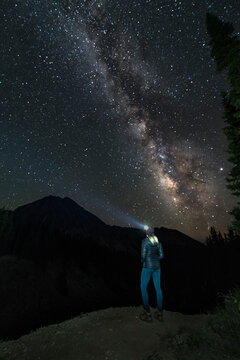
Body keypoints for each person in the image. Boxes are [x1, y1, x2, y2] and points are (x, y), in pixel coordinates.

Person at [139, 226, 164, 322]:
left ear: (147, 233)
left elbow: (143, 255)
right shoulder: (158, 242)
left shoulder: (144, 241)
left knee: (143, 288)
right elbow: (161, 255)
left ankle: (148, 313)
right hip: (157, 267)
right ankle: (160, 313)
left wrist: (144, 261)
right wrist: (155, 260)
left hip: (147, 267)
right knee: (158, 289)